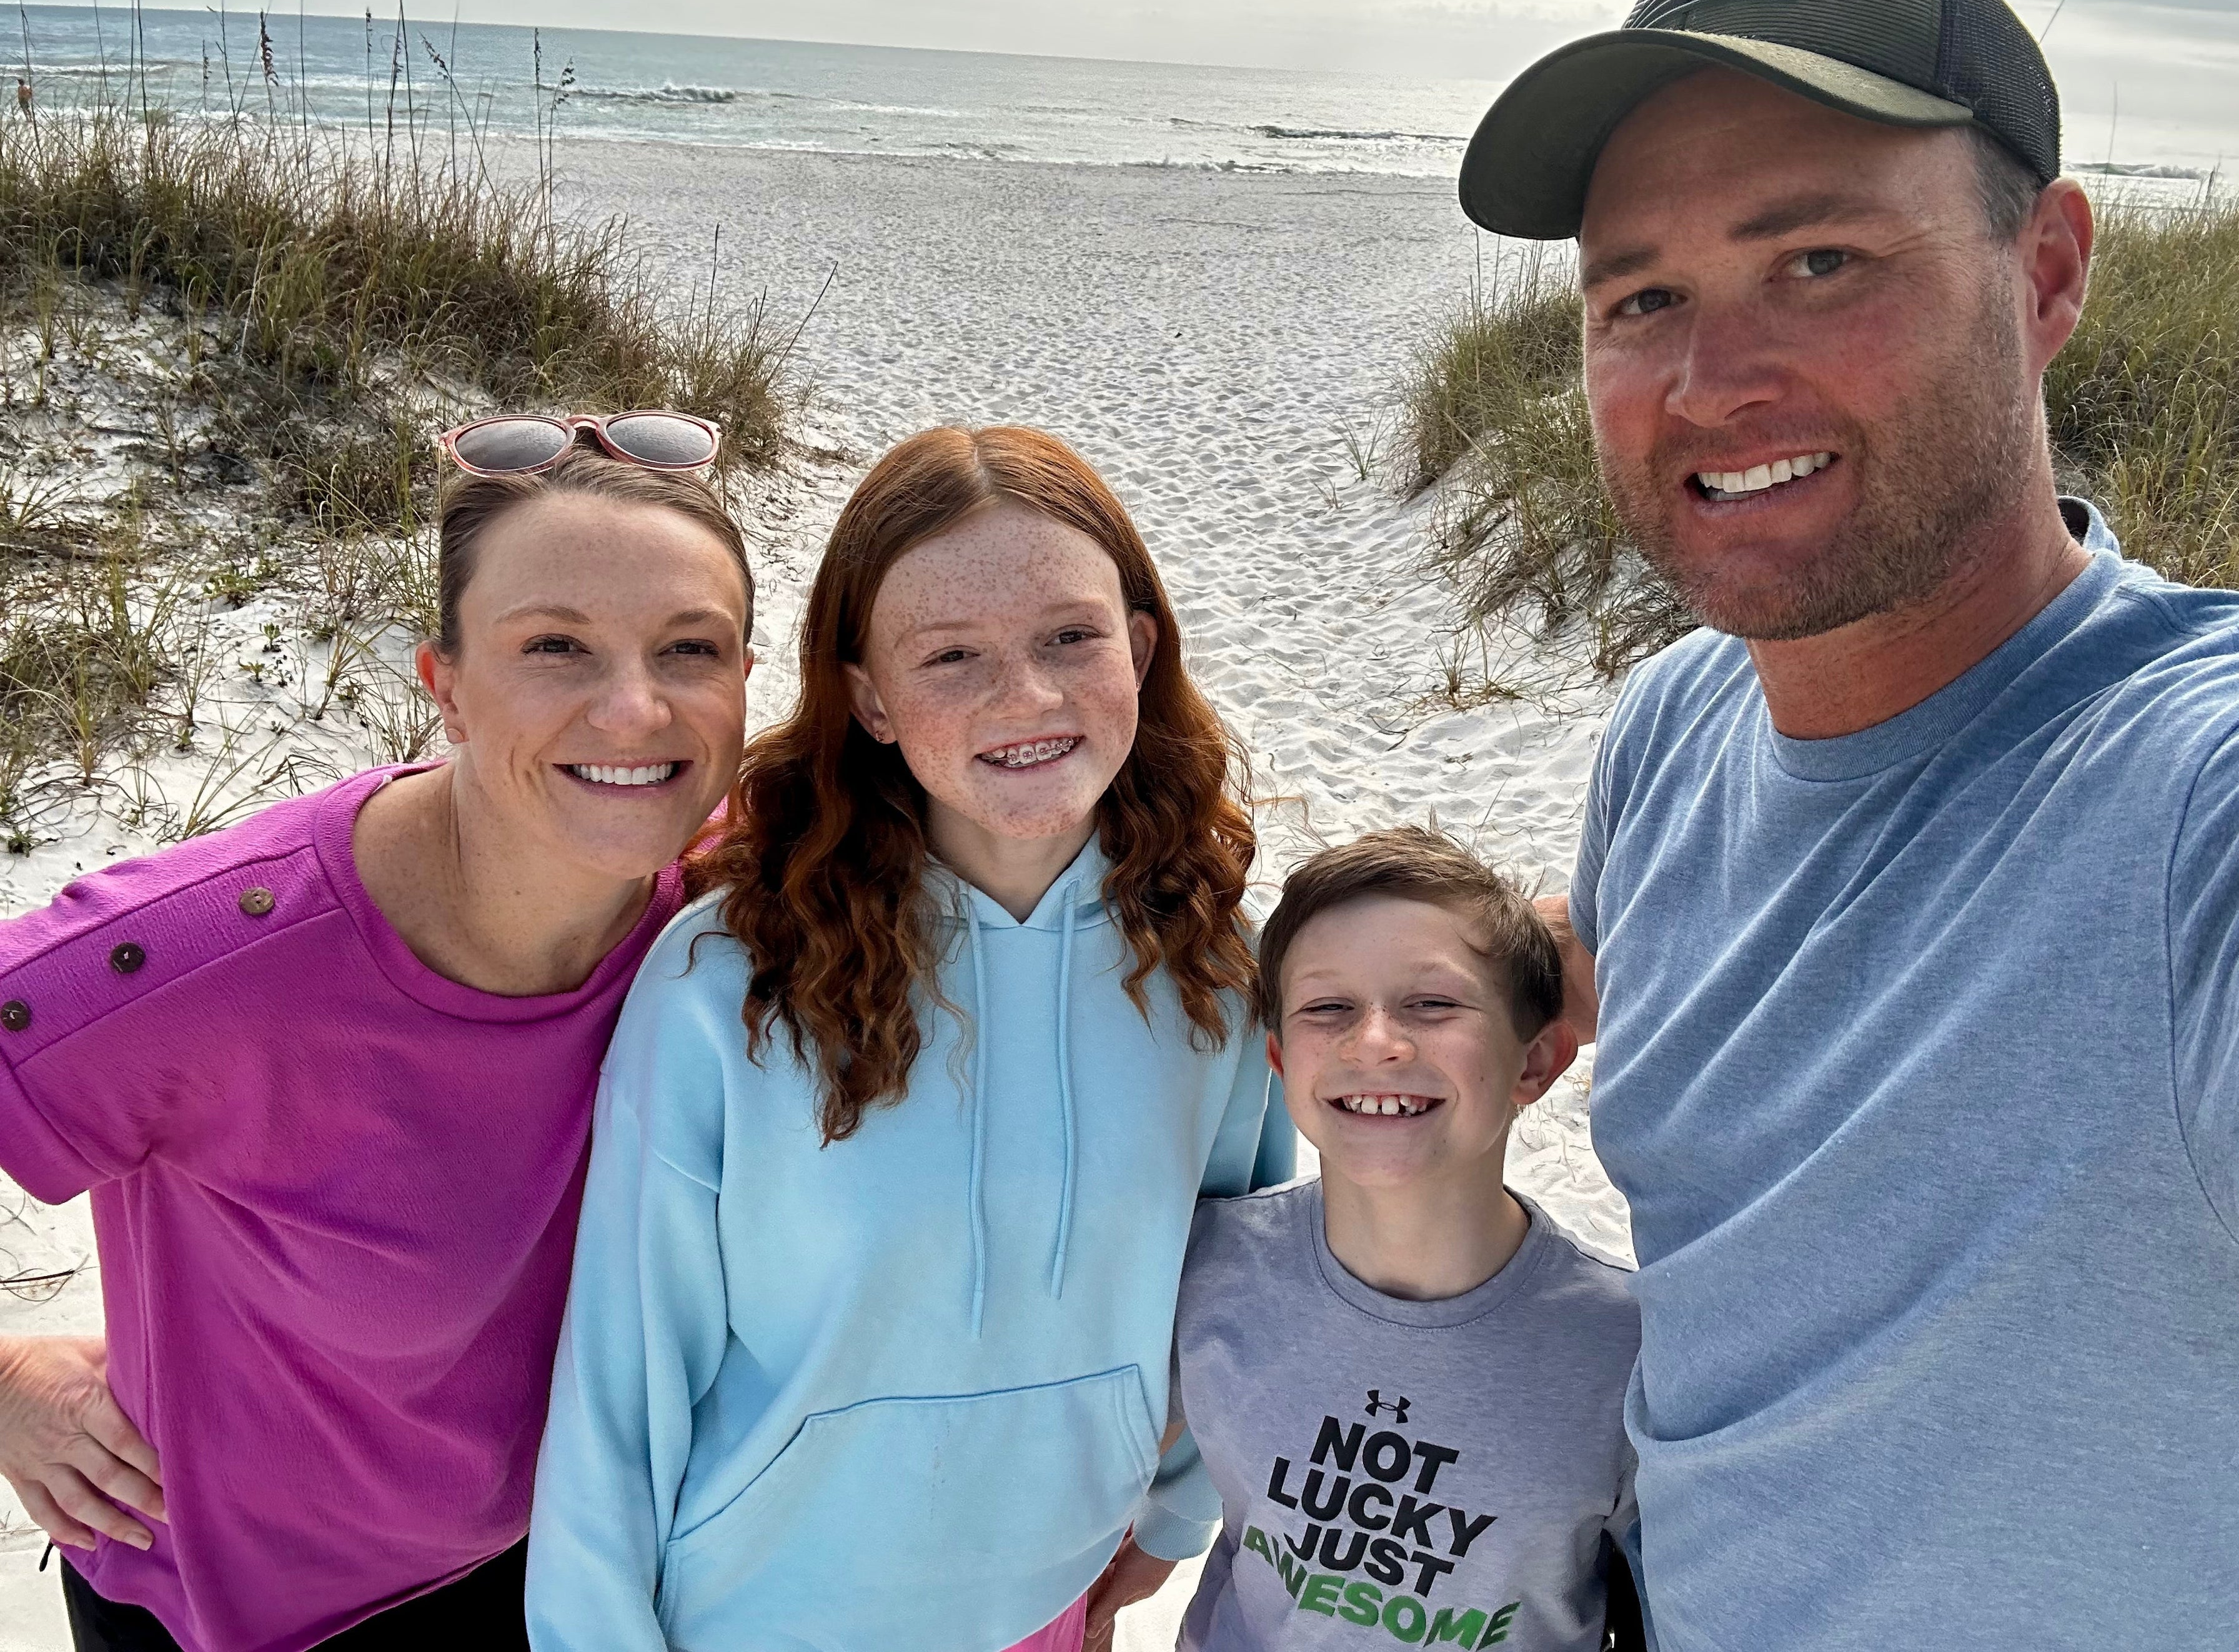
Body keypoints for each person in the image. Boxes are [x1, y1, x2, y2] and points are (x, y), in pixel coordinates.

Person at [1458, 0, 2239, 1651]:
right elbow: (1632, 955)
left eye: (1819, 263)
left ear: (2045, 274)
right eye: (1640, 298)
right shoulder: (1680, 724)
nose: (1709, 381)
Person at [522, 424, 1293, 1652]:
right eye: (951, 657)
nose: (1027, 697)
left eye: (1070, 638)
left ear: (1140, 649)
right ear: (872, 700)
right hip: (758, 1619)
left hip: (1051, 1603)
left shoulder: (1213, 957)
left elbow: (1240, 1273)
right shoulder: (732, 982)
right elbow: (624, 1385)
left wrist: (1172, 1510)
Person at [0, 440, 755, 1651]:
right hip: (246, 1620)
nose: (633, 708)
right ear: (444, 685)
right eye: (553, 645)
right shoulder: (211, 958)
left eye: (690, 649)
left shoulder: (729, 886)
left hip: (563, 1571)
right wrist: (4, 1387)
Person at [1158, 827, 1640, 1652]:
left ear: (1536, 1062)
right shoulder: (1201, 1269)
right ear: (1280, 1059)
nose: (1375, 1040)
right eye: (1328, 1007)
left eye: (1433, 1003)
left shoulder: (1629, 1352)